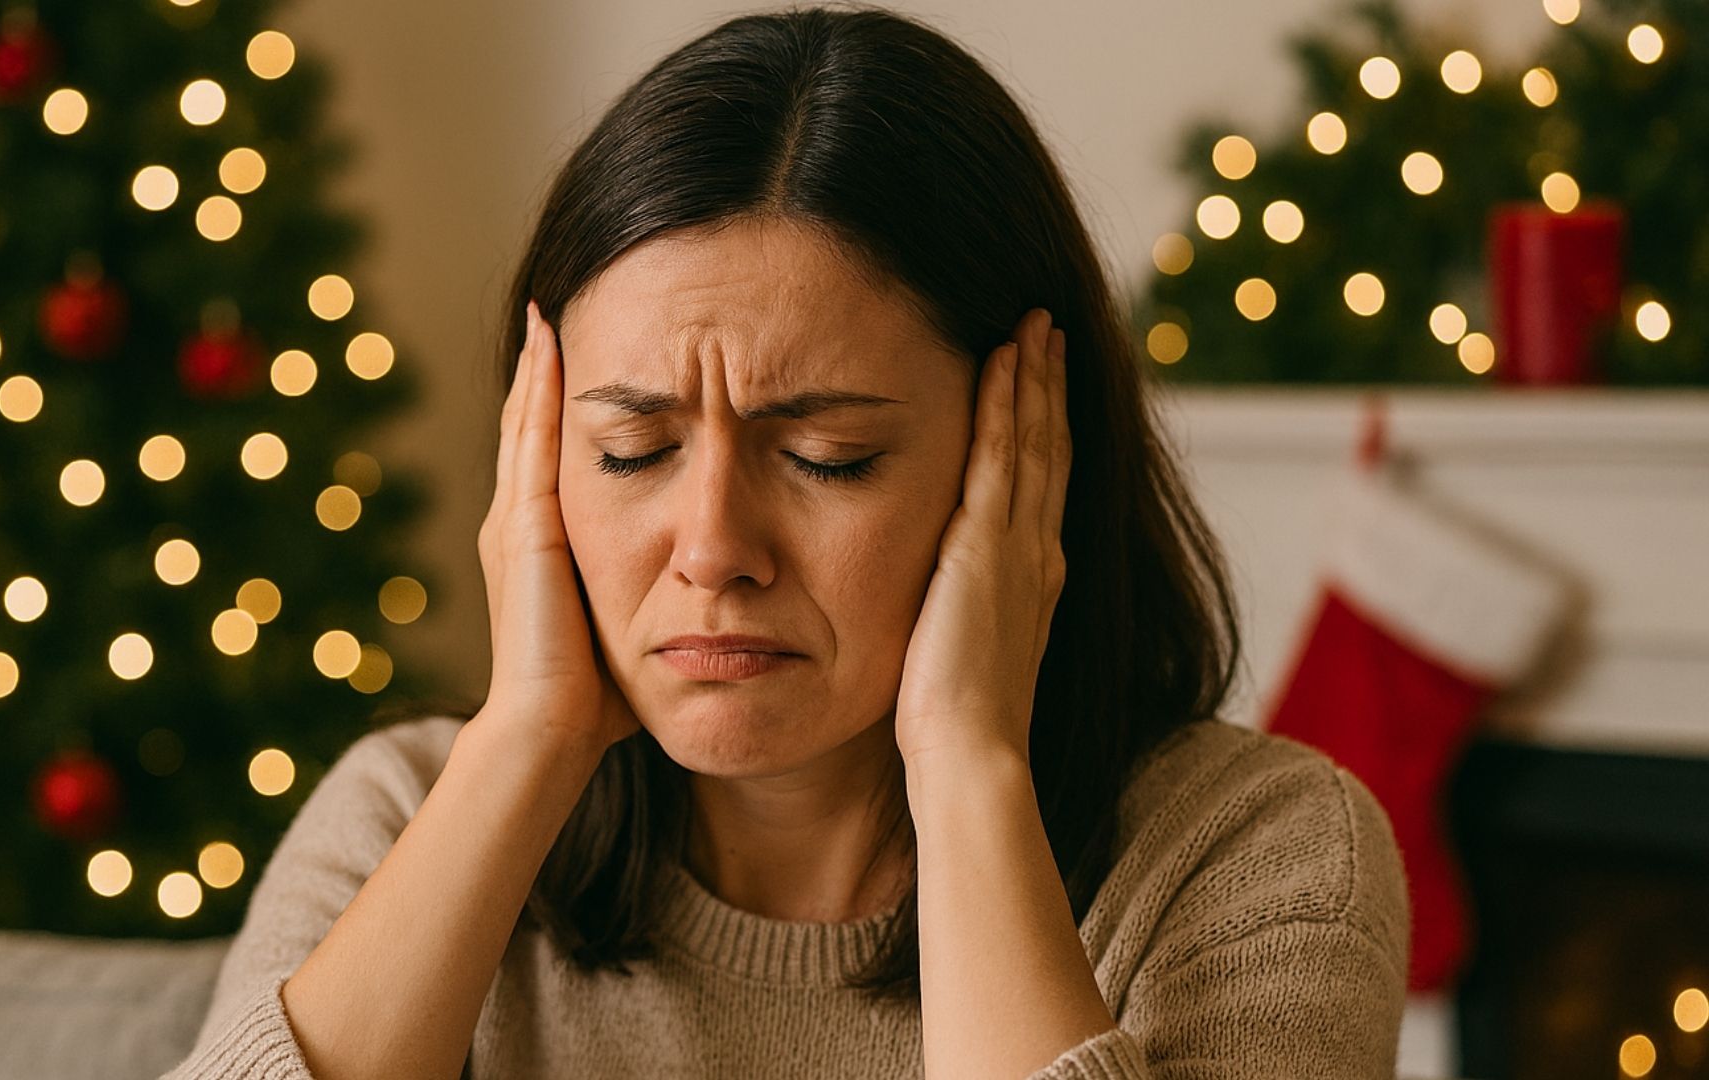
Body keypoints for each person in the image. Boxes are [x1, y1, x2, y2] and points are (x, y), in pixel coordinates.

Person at [162, 5, 1410, 1078]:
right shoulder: (407, 815)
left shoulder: (1258, 860)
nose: (711, 548)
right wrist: (526, 743)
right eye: (631, 451)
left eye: (828, 459)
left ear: (1024, 458)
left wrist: (970, 768)